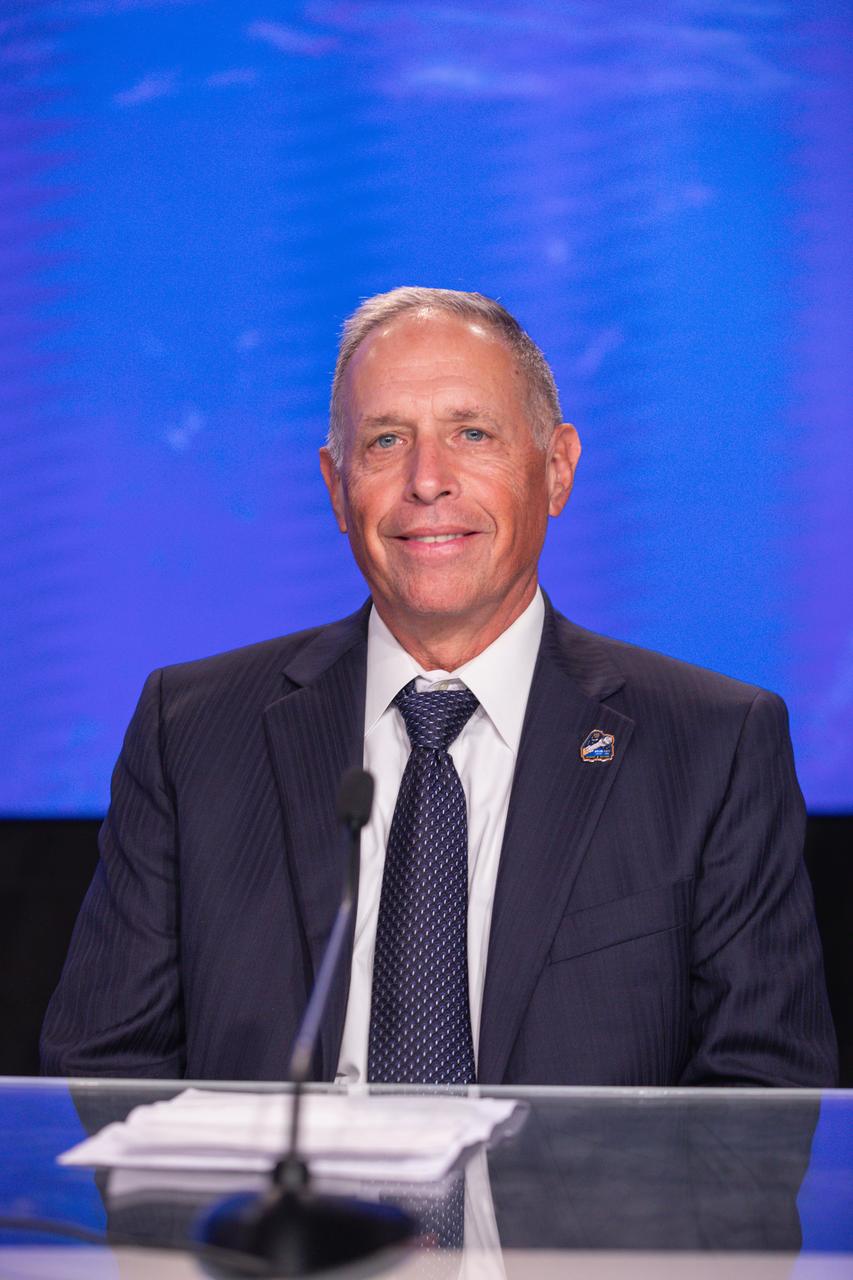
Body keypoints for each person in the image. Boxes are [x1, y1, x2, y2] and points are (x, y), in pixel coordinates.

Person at [41, 287, 838, 1086]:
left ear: (556, 470)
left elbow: (759, 1096)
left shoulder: (712, 744)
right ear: (335, 485)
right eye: (386, 440)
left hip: (584, 1214)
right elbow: (104, 1072)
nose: (428, 481)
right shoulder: (191, 731)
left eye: (472, 434)